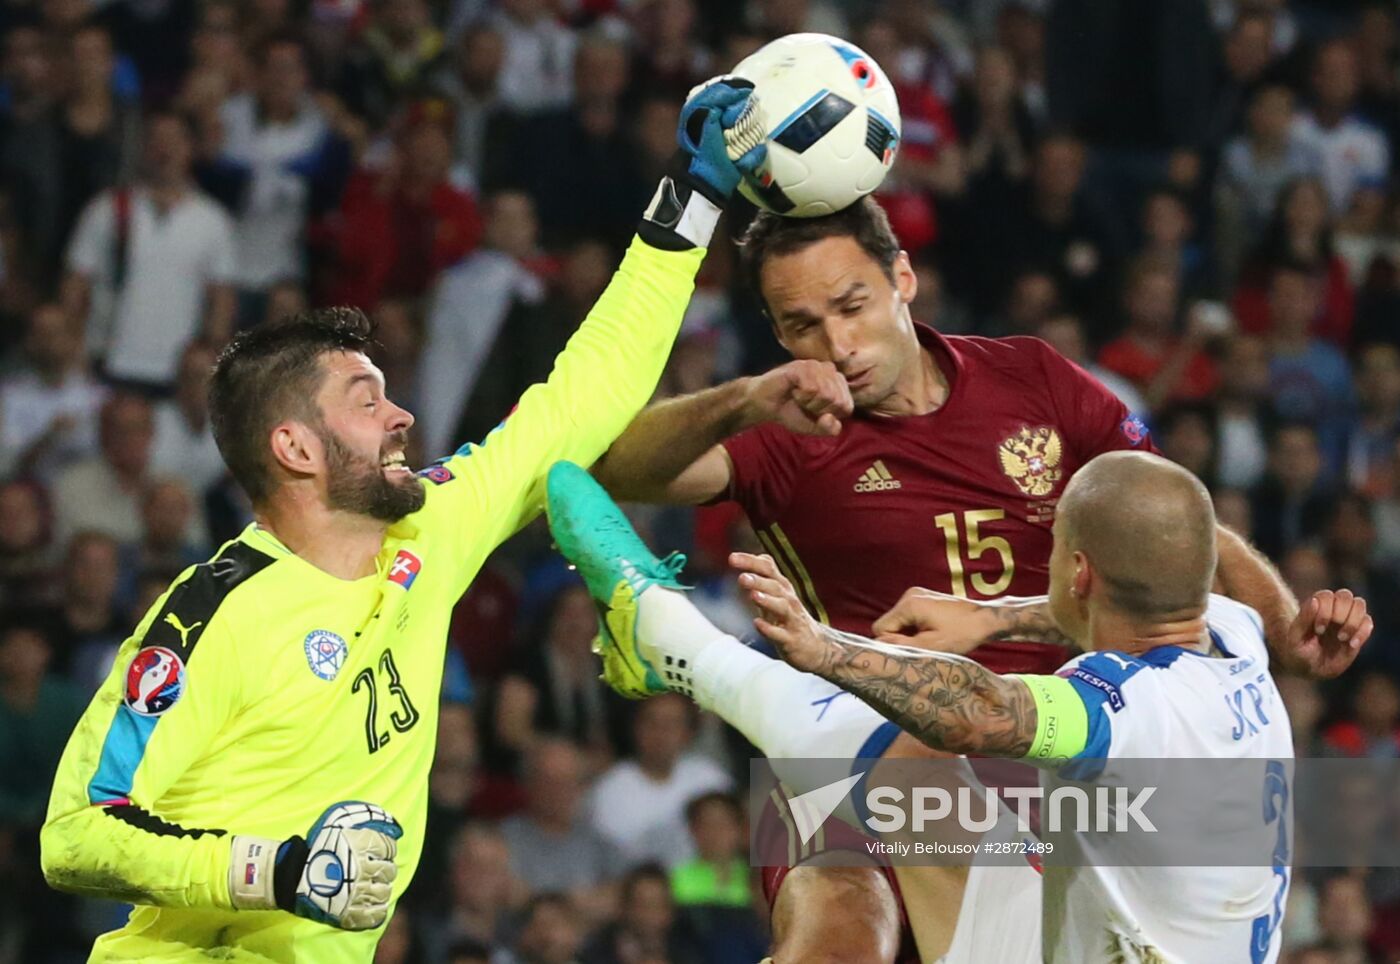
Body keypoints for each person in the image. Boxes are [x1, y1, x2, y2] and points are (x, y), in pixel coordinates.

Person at [38, 77, 764, 962]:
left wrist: (692, 202)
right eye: (367, 400)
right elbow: (74, 834)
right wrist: (279, 870)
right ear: (297, 449)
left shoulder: (432, 530)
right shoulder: (211, 616)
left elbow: (585, 394)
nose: (403, 417)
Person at [590, 197, 1337, 961]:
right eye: (803, 325)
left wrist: (1286, 629)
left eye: (852, 306)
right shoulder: (786, 429)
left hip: (1056, 770)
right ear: (779, 334)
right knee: (846, 925)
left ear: (902, 279)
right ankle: (716, 666)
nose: (838, 345)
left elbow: (1171, 525)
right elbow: (610, 467)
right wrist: (743, 397)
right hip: (863, 763)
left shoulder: (1033, 379)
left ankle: (694, 652)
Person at [544, 452, 1373, 962]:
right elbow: (1208, 553)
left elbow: (982, 712)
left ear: (1080, 571)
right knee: (907, 786)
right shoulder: (1230, 641)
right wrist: (993, 615)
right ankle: (674, 645)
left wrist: (819, 646)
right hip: (1118, 937)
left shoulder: (1135, 712)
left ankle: (679, 644)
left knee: (865, 821)